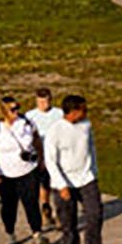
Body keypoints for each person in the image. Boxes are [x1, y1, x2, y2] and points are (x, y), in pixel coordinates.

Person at [45, 94, 104, 244]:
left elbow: (91, 147)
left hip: (86, 178)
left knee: (95, 215)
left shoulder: (86, 126)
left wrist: (93, 170)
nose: (86, 114)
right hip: (63, 182)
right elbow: (50, 160)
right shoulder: (55, 130)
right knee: (68, 223)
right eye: (83, 110)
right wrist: (61, 185)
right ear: (72, 112)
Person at [0, 94, 46, 244]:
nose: (17, 111)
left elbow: (37, 141)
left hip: (28, 169)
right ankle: (10, 232)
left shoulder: (27, 123)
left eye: (18, 108)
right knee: (9, 205)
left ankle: (37, 233)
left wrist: (41, 160)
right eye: (12, 109)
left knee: (31, 201)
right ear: (3, 111)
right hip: (5, 172)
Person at [27, 88, 68, 232]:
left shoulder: (59, 114)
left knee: (57, 184)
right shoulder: (30, 116)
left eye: (46, 101)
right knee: (43, 185)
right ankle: (46, 211)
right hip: (40, 156)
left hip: (57, 155)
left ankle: (59, 215)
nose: (44, 104)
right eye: (41, 102)